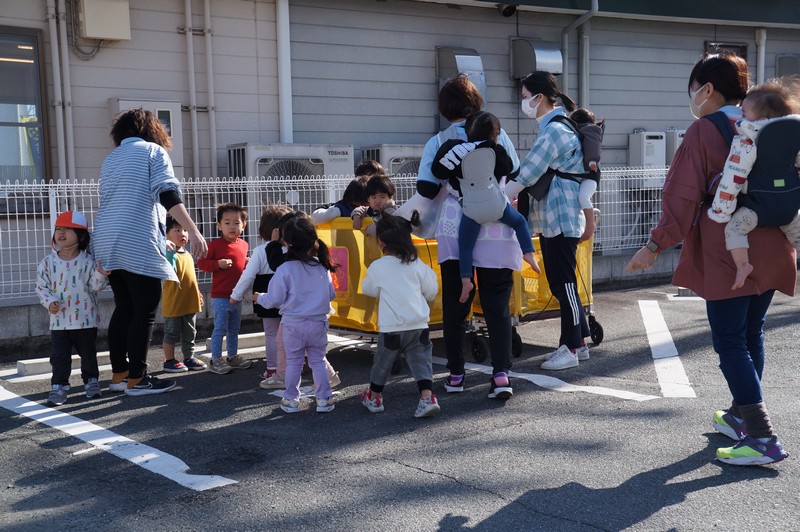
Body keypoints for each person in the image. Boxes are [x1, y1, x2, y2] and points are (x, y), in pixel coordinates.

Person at [626, 54, 792, 465]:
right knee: (751, 333)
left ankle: (762, 437)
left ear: (708, 89)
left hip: (729, 248)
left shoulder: (705, 129)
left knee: (730, 340)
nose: (692, 97)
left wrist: (654, 245)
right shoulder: (775, 123)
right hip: (773, 239)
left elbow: (682, 194)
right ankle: (739, 415)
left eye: (694, 89)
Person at [411, 73, 521, 400]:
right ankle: (501, 375)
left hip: (454, 224)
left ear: (445, 107)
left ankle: (456, 374)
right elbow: (515, 172)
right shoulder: (498, 133)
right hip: (495, 223)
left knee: (456, 301)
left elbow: (427, 188)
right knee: (497, 302)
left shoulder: (438, 141)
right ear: (476, 102)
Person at [92, 108, 207, 396]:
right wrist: (193, 230)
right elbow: (167, 193)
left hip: (106, 239)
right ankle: (138, 379)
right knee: (143, 311)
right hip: (136, 238)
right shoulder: (153, 152)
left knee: (124, 308)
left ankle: (120, 375)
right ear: (153, 130)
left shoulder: (111, 158)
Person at [504, 71, 592, 372]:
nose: (523, 102)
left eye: (525, 97)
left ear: (539, 98)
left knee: (563, 282)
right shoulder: (558, 125)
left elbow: (528, 172)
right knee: (562, 281)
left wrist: (501, 198)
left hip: (560, 215)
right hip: (559, 215)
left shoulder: (553, 130)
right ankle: (579, 342)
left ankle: (572, 347)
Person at [431, 110, 540, 303]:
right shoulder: (495, 150)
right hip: (498, 206)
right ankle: (529, 253)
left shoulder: (457, 150)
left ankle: (466, 280)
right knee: (519, 222)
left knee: (465, 246)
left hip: (471, 210)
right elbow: (508, 169)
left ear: (468, 132)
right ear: (496, 134)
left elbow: (438, 171)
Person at [706, 80, 800, 289]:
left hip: (759, 206)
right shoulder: (794, 137)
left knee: (734, 230)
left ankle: (743, 266)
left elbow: (733, 176)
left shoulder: (747, 140)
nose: (740, 116)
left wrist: (721, 210)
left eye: (744, 113)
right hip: (790, 207)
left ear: (761, 118)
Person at [360, 212, 441, 418]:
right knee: (421, 362)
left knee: (383, 363)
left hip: (392, 327)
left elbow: (368, 288)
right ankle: (427, 397)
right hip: (418, 325)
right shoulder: (416, 263)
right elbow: (431, 290)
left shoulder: (378, 266)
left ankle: (374, 397)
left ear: (380, 242)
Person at [253, 216, 337, 414]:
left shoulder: (284, 269)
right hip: (318, 323)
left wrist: (259, 297)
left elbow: (274, 299)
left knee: (293, 363)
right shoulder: (321, 267)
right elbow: (331, 294)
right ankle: (324, 399)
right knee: (318, 361)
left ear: (287, 243)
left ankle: (291, 400)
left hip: (292, 325)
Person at [36, 211, 110, 406]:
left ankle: (91, 381)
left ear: (81, 236)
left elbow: (95, 287)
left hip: (86, 320)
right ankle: (58, 387)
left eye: (68, 229)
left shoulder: (88, 261)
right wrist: (49, 301)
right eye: (58, 229)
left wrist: (101, 274)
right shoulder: (47, 263)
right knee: (59, 357)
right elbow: (41, 287)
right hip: (59, 322)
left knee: (88, 354)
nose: (61, 233)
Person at [230, 204, 292, 382]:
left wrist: (236, 295)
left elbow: (247, 276)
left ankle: (273, 368)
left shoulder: (260, 251)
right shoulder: (292, 250)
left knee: (272, 334)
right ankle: (294, 365)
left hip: (266, 294)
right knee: (290, 332)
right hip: (289, 295)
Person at [197, 203, 253, 375]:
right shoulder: (214, 245)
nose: (232, 227)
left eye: (236, 223)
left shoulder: (243, 245)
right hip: (220, 296)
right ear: (219, 226)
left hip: (237, 296)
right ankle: (215, 360)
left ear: (244, 225)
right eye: (227, 223)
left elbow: (240, 265)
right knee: (220, 328)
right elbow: (201, 263)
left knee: (234, 329)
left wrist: (247, 263)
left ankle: (232, 357)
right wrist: (217, 264)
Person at [161, 215, 207, 373]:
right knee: (171, 333)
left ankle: (189, 357)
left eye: (186, 230)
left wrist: (197, 293)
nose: (183, 234)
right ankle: (169, 360)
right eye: (177, 230)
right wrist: (168, 250)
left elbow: (190, 278)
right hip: (174, 301)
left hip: (189, 301)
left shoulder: (187, 254)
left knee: (190, 332)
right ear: (166, 233)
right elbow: (169, 269)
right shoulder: (167, 254)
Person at [570, 108, 603, 243]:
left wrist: (592, 160)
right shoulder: (580, 130)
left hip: (591, 173)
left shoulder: (590, 129)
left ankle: (590, 225)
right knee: (577, 200)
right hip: (582, 173)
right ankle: (581, 226)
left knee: (583, 196)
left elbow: (593, 146)